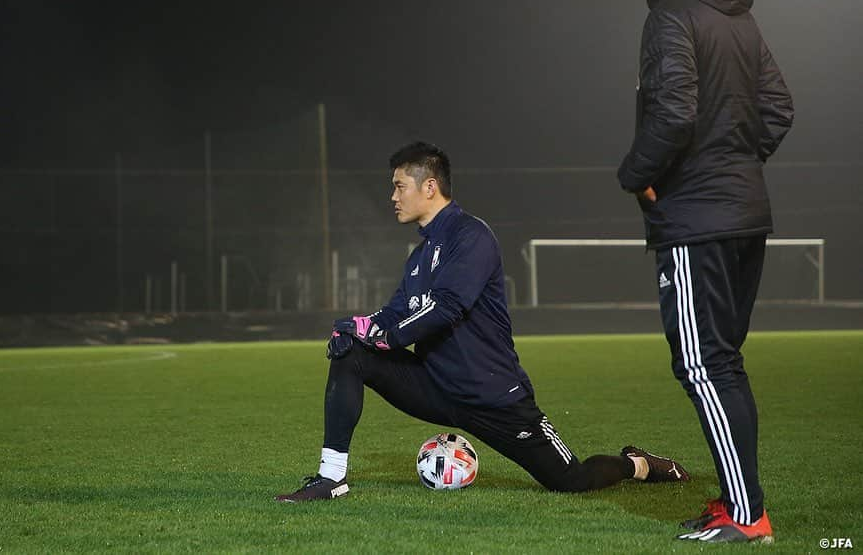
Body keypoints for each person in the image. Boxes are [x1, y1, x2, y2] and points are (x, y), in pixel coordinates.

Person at [277, 141, 689, 502]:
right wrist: (355, 327)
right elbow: (395, 312)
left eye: (399, 186)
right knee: (351, 354)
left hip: (494, 398)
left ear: (430, 187)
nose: (393, 196)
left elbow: (447, 306)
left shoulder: (471, 236)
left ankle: (637, 464)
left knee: (570, 480)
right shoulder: (419, 256)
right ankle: (332, 478)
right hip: (437, 388)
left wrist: (385, 336)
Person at [618, 0, 793, 544]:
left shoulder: (671, 14)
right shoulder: (738, 16)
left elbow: (675, 114)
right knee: (723, 363)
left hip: (696, 219)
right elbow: (778, 107)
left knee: (702, 364)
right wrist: (735, 170)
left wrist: (637, 175)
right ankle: (736, 502)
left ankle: (748, 517)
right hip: (747, 212)